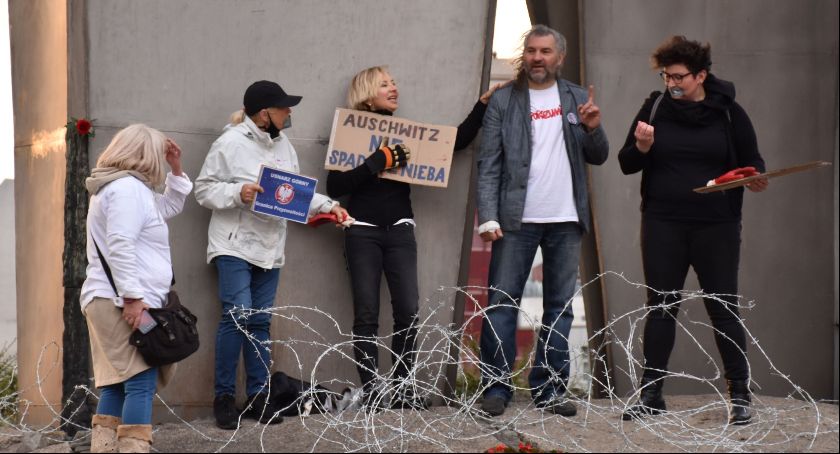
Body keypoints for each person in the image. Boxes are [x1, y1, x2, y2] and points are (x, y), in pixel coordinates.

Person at [326, 65, 504, 410]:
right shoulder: (350, 131)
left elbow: (454, 142)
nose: (394, 88)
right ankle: (374, 393)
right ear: (366, 91)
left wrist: (482, 104)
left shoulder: (406, 133)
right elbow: (335, 186)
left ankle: (404, 389)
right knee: (366, 315)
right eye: (385, 84)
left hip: (401, 230)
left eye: (394, 82)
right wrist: (375, 162)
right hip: (361, 231)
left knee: (407, 311)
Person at [618, 36, 768, 425]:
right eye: (667, 75)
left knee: (723, 307)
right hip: (662, 222)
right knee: (662, 306)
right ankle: (651, 394)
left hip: (715, 226)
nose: (672, 83)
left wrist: (751, 178)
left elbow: (753, 162)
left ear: (701, 75)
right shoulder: (654, 107)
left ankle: (739, 393)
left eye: (680, 76)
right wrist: (642, 147)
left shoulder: (729, 113)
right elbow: (626, 162)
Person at [195, 80, 348, 430]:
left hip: (269, 250)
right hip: (233, 245)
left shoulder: (285, 147)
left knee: (260, 323)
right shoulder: (229, 143)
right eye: (284, 108)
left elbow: (297, 193)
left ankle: (259, 397)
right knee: (238, 316)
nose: (289, 112)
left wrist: (331, 206)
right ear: (265, 113)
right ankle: (223, 398)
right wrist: (238, 193)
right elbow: (203, 190)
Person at [476, 24, 609, 417]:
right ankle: (496, 387)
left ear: (559, 57)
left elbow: (598, 156)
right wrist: (488, 216)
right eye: (532, 50)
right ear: (526, 54)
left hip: (566, 218)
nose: (537, 57)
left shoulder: (578, 98)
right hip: (516, 219)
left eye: (545, 51)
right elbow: (488, 164)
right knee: (502, 303)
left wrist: (593, 127)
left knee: (560, 307)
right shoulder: (504, 100)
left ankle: (549, 389)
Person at [82, 124, 192, 453]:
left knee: (117, 383)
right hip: (120, 302)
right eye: (159, 154)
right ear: (145, 155)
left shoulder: (130, 190)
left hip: (114, 299)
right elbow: (120, 245)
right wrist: (132, 299)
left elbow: (167, 208)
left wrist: (176, 169)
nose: (161, 159)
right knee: (141, 382)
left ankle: (105, 448)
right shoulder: (126, 190)